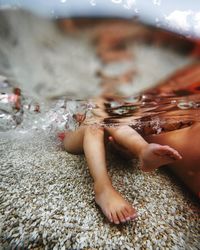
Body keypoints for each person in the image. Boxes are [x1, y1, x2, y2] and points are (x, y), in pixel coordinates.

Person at [61, 63, 200, 224]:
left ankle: (143, 150)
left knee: (112, 120)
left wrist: (127, 149)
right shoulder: (91, 87)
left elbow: (121, 124)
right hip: (74, 138)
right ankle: (102, 187)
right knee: (97, 122)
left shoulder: (123, 94)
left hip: (103, 132)